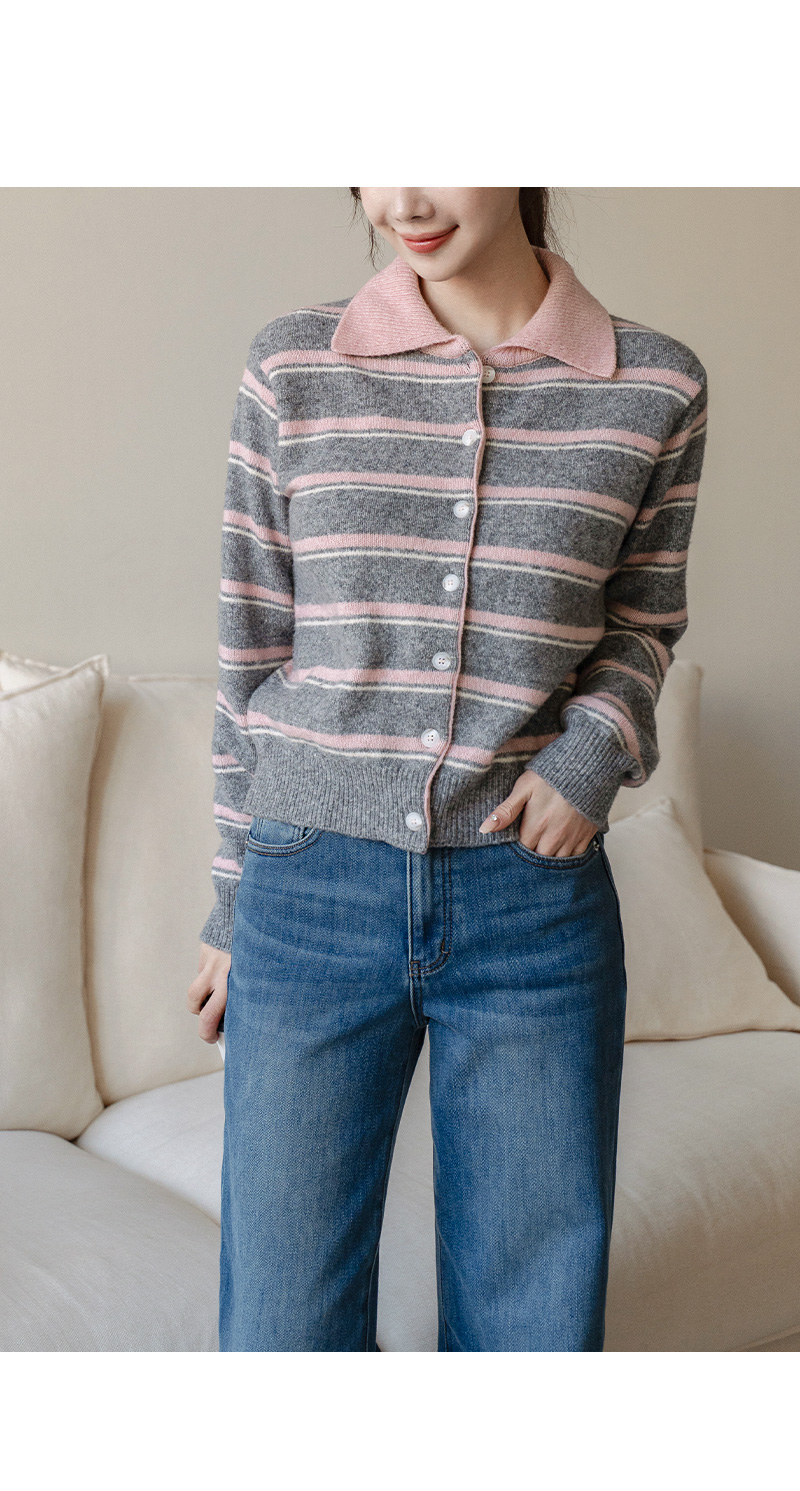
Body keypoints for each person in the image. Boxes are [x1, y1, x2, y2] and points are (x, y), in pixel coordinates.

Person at [189, 182, 708, 1351]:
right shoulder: (293, 365)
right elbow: (251, 648)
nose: (401, 199)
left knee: (531, 1332)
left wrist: (592, 754)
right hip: (307, 892)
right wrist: (230, 899)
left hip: (529, 902)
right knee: (280, 1329)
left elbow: (641, 622)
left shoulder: (653, 384)